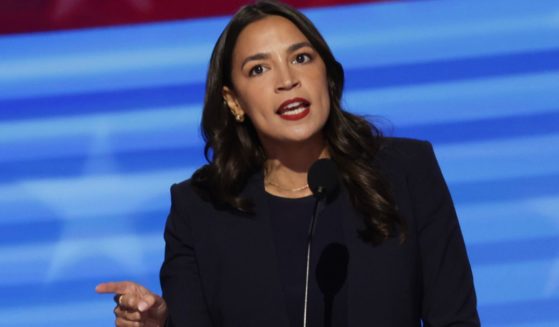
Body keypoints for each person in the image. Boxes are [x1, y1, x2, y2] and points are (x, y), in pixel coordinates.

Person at [96, 0, 480, 326]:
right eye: (259, 69)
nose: (287, 80)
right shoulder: (199, 208)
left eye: (301, 58)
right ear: (233, 101)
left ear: (325, 73)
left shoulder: (406, 171)